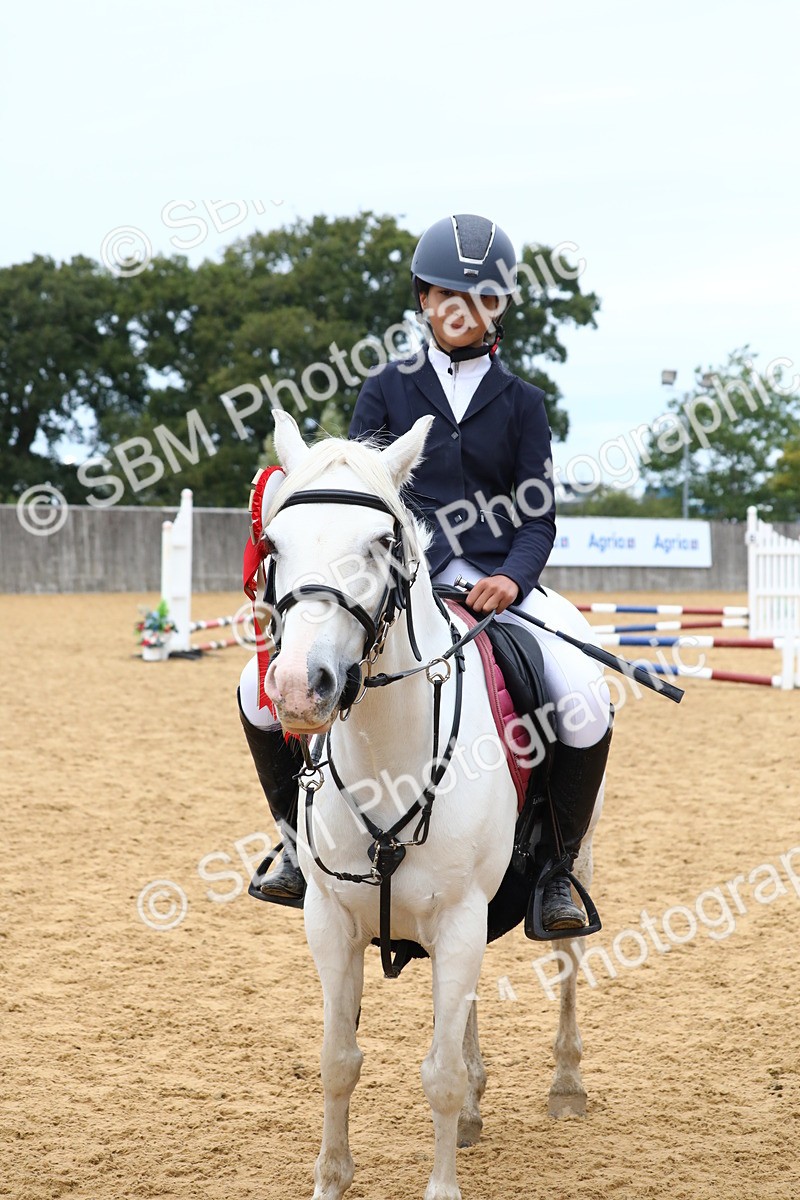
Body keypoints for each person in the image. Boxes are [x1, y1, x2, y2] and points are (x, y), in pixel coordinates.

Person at [239, 213, 612, 934]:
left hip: (499, 580)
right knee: (258, 696)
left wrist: (513, 579)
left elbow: (538, 519)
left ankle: (558, 872)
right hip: (394, 579)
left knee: (585, 702)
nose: (460, 309)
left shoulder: (526, 404)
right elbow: (360, 495)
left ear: (498, 307)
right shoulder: (386, 389)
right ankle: (294, 843)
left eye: (478, 297)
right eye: (447, 294)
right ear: (423, 299)